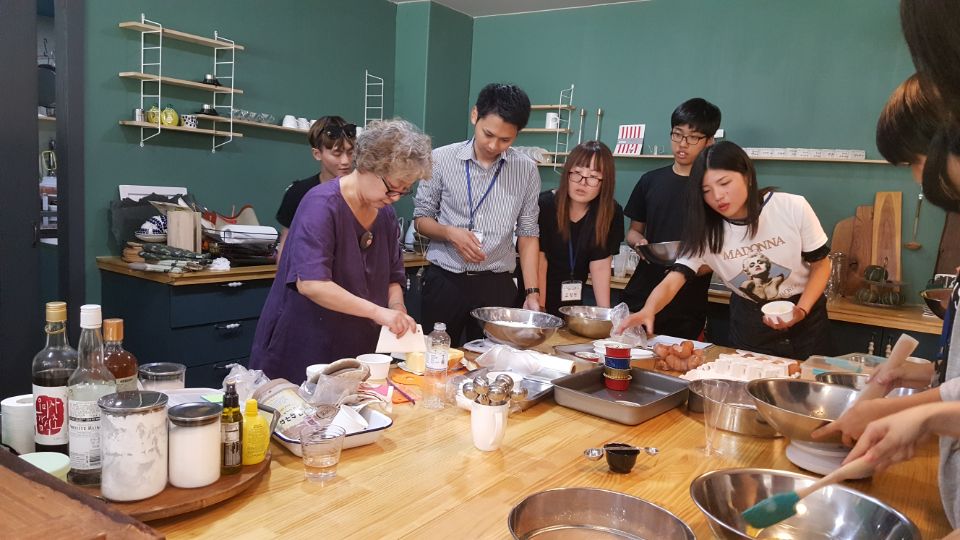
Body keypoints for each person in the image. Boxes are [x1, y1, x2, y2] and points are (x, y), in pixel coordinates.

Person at [250, 119, 431, 382]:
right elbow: (312, 284)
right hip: (305, 342)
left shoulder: (385, 215)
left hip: (356, 343)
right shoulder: (321, 205)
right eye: (392, 188)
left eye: (404, 191)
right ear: (367, 165)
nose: (394, 198)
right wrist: (379, 312)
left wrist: (397, 308)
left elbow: (393, 276)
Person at [617, 141, 832, 359]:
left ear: (747, 176)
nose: (717, 196)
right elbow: (675, 278)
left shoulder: (792, 207)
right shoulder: (706, 231)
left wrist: (801, 310)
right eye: (707, 190)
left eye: (724, 183)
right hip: (750, 322)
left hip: (806, 316)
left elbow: (821, 265)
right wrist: (649, 309)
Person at [413, 83, 541, 345]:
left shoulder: (526, 170)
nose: (493, 145)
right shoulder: (440, 159)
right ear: (475, 115)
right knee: (436, 358)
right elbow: (421, 220)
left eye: (505, 140)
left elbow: (528, 234)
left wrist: (532, 292)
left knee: (494, 361)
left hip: (497, 285)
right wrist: (449, 233)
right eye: (488, 134)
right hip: (445, 281)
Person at [620, 98, 721, 339]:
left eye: (693, 137)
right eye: (677, 134)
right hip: (642, 291)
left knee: (676, 358)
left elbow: (721, 251)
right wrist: (639, 243)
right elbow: (633, 231)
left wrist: (693, 268)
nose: (682, 144)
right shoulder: (650, 180)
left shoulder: (716, 190)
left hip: (687, 301)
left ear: (709, 141)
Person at [536, 141, 624, 316]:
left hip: (574, 304)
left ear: (605, 181)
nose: (582, 183)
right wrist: (541, 312)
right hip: (537, 299)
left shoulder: (611, 212)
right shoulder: (545, 205)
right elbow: (540, 261)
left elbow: (600, 266)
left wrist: (606, 316)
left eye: (593, 177)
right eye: (577, 173)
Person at [275, 116, 357, 260]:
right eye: (337, 153)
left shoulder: (363, 193)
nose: (346, 161)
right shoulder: (298, 193)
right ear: (317, 154)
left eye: (350, 153)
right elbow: (286, 247)